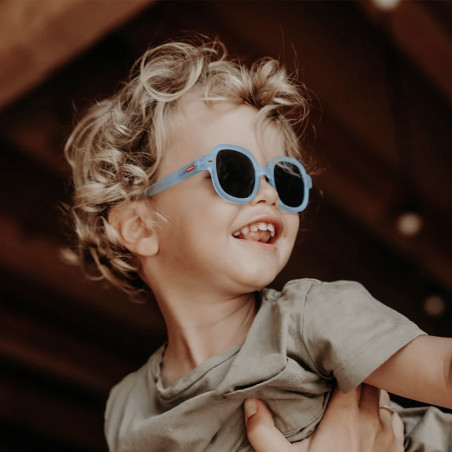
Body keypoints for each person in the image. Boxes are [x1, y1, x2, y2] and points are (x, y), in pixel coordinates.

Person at [64, 37, 452, 452]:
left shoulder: (310, 316)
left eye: (284, 179)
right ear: (140, 227)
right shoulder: (127, 412)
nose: (268, 194)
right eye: (234, 172)